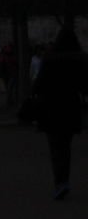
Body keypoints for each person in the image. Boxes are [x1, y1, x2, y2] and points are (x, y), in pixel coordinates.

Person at [26, 27, 88, 200]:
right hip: (70, 106)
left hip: (51, 106)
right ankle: (64, 180)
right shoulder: (80, 59)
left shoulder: (49, 59)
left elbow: (38, 85)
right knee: (65, 146)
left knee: (55, 147)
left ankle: (60, 181)